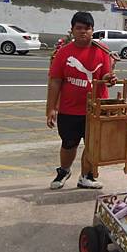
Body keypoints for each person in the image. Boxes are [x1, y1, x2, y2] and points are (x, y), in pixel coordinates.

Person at [46, 12, 117, 190]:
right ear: (72, 30)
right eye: (79, 28)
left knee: (93, 144)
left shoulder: (102, 50)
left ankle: (86, 176)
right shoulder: (64, 53)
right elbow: (55, 81)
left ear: (92, 30)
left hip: (95, 108)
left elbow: (106, 76)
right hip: (69, 109)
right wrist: (51, 108)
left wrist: (110, 78)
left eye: (87, 28)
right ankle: (64, 171)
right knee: (69, 144)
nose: (83, 32)